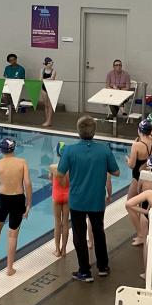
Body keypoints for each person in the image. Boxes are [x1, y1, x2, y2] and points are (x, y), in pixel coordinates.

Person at [56, 116, 121, 282]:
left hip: (77, 200)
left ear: (78, 131)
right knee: (98, 232)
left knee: (79, 235)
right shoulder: (104, 150)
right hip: (96, 200)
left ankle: (84, 271)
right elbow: (116, 172)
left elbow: (60, 174)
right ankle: (103, 267)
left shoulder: (70, 151)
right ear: (94, 131)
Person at [0, 138, 32, 276]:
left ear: (1, 150)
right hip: (18, 199)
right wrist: (28, 203)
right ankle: (9, 268)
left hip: (2, 199)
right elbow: (28, 184)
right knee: (13, 234)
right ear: (14, 149)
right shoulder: (22, 162)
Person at [125, 119, 152, 246]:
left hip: (137, 178)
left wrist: (127, 159)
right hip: (148, 177)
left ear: (139, 130)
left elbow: (132, 165)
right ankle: (144, 232)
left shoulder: (137, 145)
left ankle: (140, 235)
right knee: (142, 205)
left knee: (129, 204)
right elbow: (151, 161)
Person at [50, 141, 70, 258]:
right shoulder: (71, 168)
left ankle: (57, 250)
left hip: (57, 196)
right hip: (68, 196)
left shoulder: (53, 167)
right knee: (65, 223)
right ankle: (64, 250)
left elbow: (50, 179)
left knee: (57, 223)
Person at [39, 57, 57, 127]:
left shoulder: (54, 71)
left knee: (50, 105)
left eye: (52, 62)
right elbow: (40, 79)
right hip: (43, 88)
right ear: (46, 64)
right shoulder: (42, 70)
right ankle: (47, 120)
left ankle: (49, 121)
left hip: (51, 89)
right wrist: (45, 79)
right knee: (46, 105)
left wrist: (44, 79)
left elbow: (52, 79)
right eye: (50, 62)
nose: (52, 64)